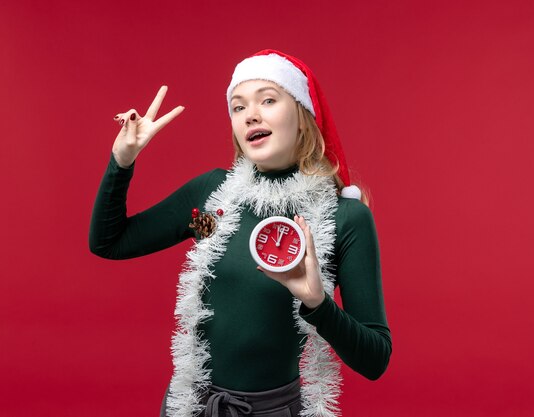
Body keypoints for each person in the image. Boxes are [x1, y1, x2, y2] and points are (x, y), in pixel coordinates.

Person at [89, 49, 391, 417]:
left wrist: (318, 304)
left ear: (302, 116)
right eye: (238, 106)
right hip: (190, 406)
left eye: (268, 99)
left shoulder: (344, 217)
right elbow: (109, 242)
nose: (251, 115)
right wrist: (122, 161)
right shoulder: (213, 194)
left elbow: (375, 360)